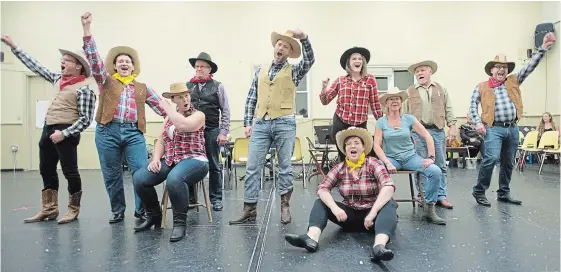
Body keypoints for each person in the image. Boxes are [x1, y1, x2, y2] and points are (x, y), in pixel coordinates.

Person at [81, 12, 167, 223]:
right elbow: (94, 60)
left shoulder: (142, 88)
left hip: (133, 133)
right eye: (120, 61)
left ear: (133, 66)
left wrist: (184, 119)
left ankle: (141, 210)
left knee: (140, 173)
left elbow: (163, 107)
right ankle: (118, 210)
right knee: (111, 174)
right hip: (106, 131)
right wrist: (87, 30)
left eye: (127, 61)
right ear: (115, 66)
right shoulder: (105, 81)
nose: (124, 63)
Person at [1, 35, 96, 225]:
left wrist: (65, 134)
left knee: (70, 172)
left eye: (67, 60)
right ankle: (50, 209)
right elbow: (35, 66)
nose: (62, 62)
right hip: (48, 128)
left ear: (78, 66)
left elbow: (86, 119)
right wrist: (14, 47)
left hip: (66, 131)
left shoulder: (84, 89)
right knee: (46, 169)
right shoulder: (56, 79)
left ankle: (73, 209)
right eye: (63, 59)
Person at [229, 29, 315, 225]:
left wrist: (305, 40)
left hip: (284, 121)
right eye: (279, 44)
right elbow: (252, 97)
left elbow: (309, 61)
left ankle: (285, 206)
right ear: (274, 47)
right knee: (252, 167)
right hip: (261, 122)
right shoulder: (261, 71)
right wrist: (247, 122)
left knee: (285, 166)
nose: (281, 48)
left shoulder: (294, 70)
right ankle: (249, 208)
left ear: (288, 52)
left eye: (285, 46)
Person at [284, 127, 397, 262]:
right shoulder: (340, 168)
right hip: (350, 217)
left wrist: (373, 213)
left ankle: (379, 247)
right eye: (348, 144)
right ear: (345, 150)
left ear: (363, 148)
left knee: (389, 203)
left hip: (373, 219)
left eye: (356, 143)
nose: (352, 146)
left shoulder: (373, 163)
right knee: (320, 202)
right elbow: (322, 188)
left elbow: (388, 186)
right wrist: (334, 207)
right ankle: (311, 239)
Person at [470, 32, 556, 207]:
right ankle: (479, 191)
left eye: (504, 67)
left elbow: (530, 66)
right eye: (498, 67)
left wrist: (543, 48)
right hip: (493, 128)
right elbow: (472, 106)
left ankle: (503, 193)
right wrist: (478, 123)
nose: (501, 70)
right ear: (491, 70)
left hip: (512, 128)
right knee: (491, 159)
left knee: (509, 162)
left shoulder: (514, 81)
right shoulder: (481, 86)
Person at [132, 83, 208, 242]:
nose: (185, 99)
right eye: (180, 97)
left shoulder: (198, 115)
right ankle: (154, 216)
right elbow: (161, 140)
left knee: (175, 179)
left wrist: (169, 110)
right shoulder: (168, 118)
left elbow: (183, 125)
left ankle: (180, 223)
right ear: (174, 99)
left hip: (195, 159)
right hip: (172, 159)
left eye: (186, 95)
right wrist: (156, 159)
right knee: (139, 178)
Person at [373, 87, 446, 225]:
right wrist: (387, 162)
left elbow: (427, 135)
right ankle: (385, 207)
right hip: (391, 158)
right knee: (376, 172)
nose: (395, 101)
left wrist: (431, 157)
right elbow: (376, 145)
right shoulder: (381, 122)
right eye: (391, 99)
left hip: (410, 157)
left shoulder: (408, 119)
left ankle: (429, 210)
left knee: (435, 171)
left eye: (397, 99)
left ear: (401, 102)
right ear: (386, 103)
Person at [403, 60, 456, 209]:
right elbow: (404, 114)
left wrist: (452, 127)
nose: (420, 73)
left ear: (430, 72)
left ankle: (441, 196)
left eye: (423, 70)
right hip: (417, 133)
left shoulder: (441, 89)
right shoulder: (410, 91)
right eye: (417, 71)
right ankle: (423, 196)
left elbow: (448, 109)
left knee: (440, 165)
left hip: (437, 131)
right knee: (420, 165)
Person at [319, 47, 382, 161]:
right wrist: (324, 88)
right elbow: (325, 100)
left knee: (360, 156)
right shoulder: (340, 80)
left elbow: (375, 104)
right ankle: (344, 178)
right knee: (344, 156)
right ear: (349, 63)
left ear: (363, 62)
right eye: (354, 59)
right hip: (340, 122)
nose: (357, 61)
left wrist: (383, 123)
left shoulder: (370, 80)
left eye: (359, 59)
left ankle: (359, 178)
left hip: (360, 124)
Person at [186, 52, 230, 212]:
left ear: (209, 69)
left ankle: (216, 199)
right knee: (189, 164)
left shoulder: (218, 86)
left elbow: (225, 110)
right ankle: (191, 198)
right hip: (192, 132)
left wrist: (223, 132)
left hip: (212, 130)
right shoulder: (188, 86)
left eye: (202, 66)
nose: (198, 69)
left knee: (214, 166)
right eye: (196, 66)